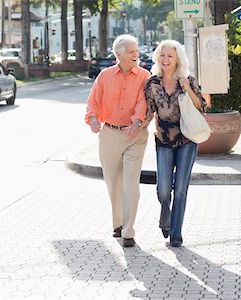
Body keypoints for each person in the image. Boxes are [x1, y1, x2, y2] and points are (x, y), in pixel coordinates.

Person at [85, 34, 151, 248]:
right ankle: (118, 223)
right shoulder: (104, 76)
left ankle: (128, 232)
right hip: (110, 133)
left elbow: (143, 103)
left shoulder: (144, 75)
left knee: (131, 183)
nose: (136, 54)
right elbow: (92, 102)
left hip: (135, 135)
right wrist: (93, 119)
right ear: (119, 54)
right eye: (132, 51)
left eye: (137, 51)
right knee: (113, 183)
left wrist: (136, 122)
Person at [145, 40, 207, 247]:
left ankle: (176, 233)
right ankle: (166, 216)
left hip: (186, 140)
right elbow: (148, 111)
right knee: (163, 190)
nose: (165, 59)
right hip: (163, 140)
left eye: (170, 56)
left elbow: (201, 106)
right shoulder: (152, 83)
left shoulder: (187, 80)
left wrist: (188, 88)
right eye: (162, 55)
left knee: (180, 189)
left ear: (178, 58)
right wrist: (135, 127)